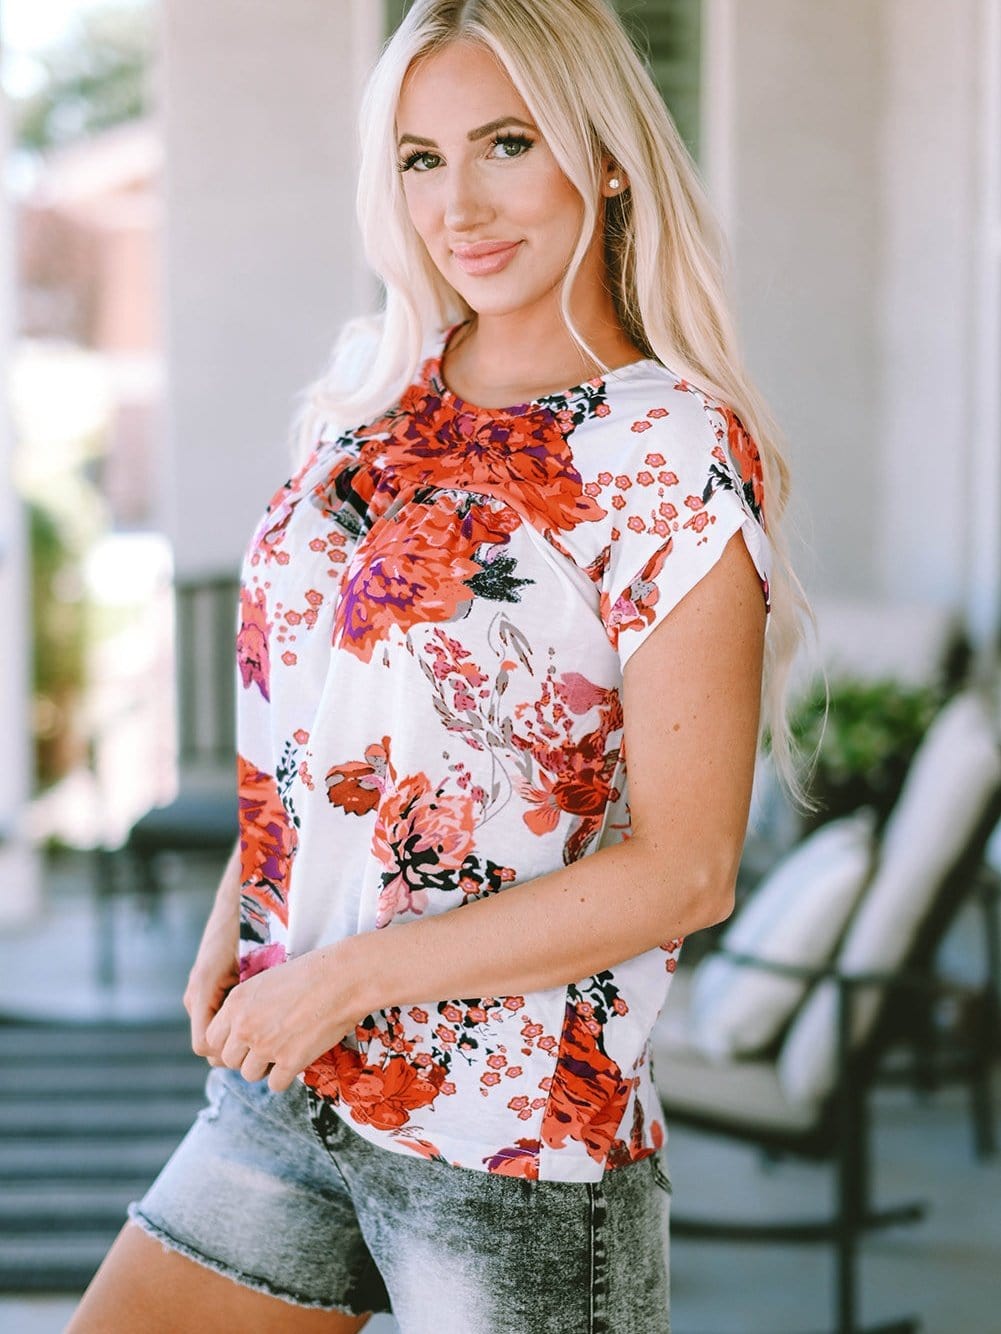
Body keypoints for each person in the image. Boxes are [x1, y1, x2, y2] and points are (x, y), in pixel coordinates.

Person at [68, 1, 816, 1330]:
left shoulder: (666, 452)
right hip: (296, 1081)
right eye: (418, 157)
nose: (457, 202)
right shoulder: (378, 380)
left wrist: (339, 976)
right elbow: (331, 703)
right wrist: (243, 908)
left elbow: (686, 869)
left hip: (513, 1132)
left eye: (505, 143)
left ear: (603, 156)